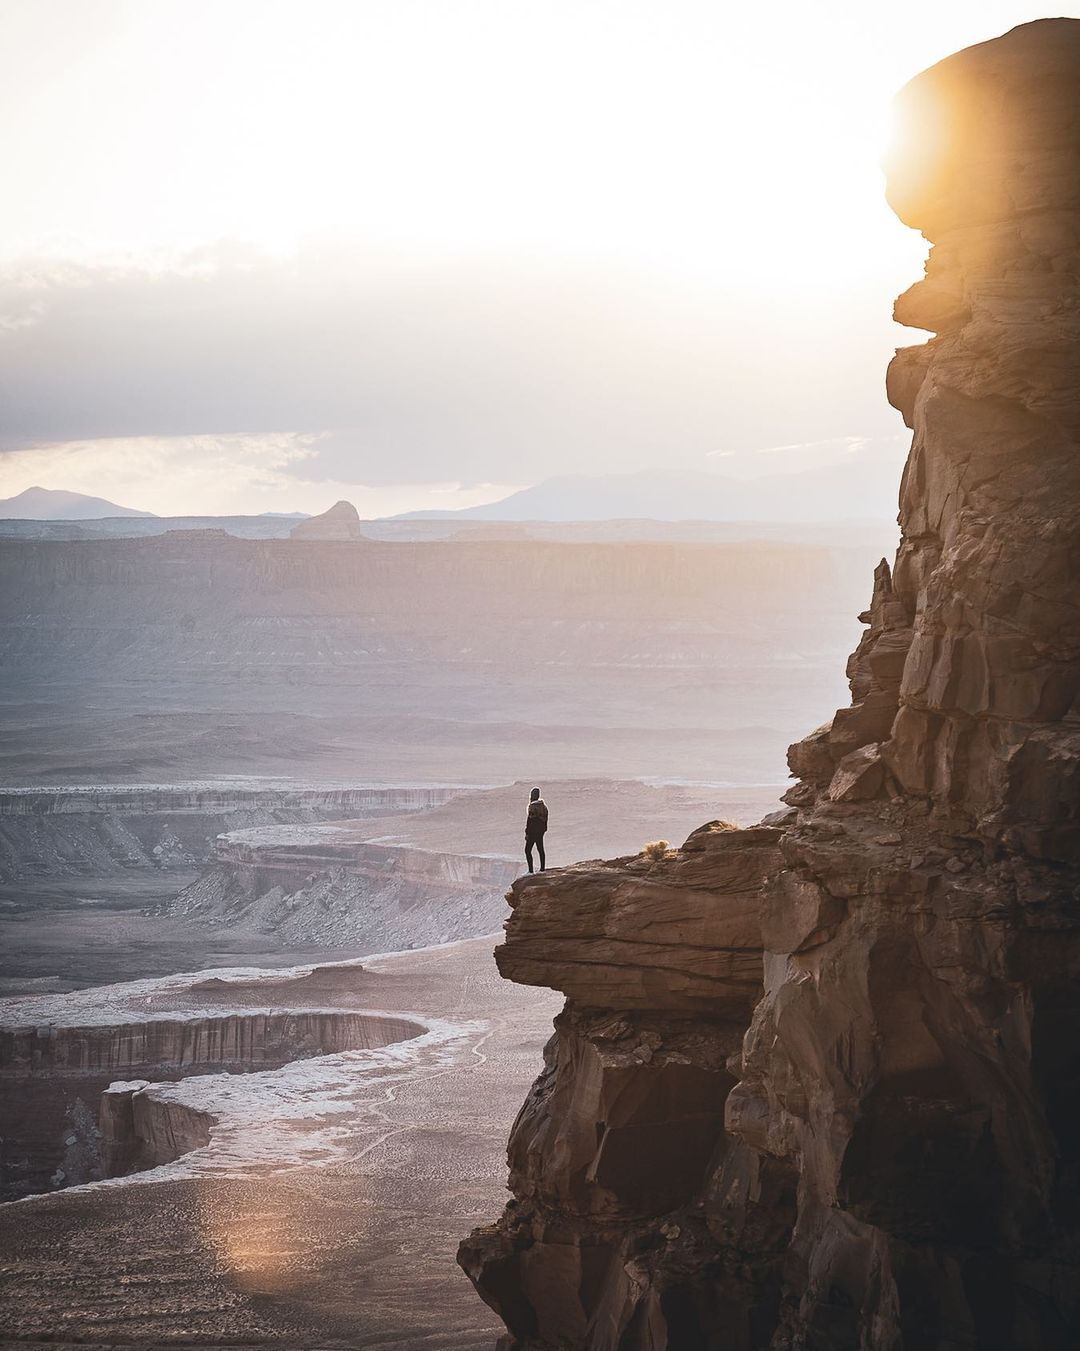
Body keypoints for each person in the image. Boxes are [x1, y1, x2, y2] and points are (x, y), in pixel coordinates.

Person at [525, 786, 548, 873]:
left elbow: (530, 821)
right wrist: (543, 830)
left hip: (532, 832)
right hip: (540, 832)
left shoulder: (532, 807)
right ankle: (542, 869)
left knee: (527, 851)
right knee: (540, 849)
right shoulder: (544, 807)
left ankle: (530, 871)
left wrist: (527, 833)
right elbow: (545, 821)